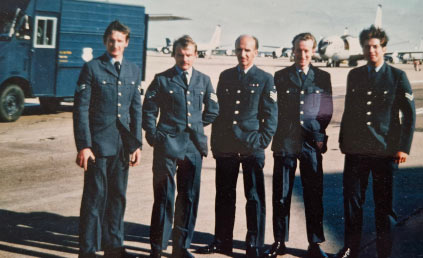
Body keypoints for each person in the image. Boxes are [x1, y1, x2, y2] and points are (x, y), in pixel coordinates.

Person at [335, 25, 416, 258]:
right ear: (361, 49)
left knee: (384, 206)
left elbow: (408, 114)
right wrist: (344, 142)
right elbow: (349, 111)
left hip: (384, 151)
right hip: (356, 151)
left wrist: (403, 146)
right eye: (367, 47)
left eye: (375, 46)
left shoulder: (397, 76)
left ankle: (384, 251)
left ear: (384, 48)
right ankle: (350, 248)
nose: (371, 51)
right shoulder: (355, 75)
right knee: (352, 203)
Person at [197, 35, 278, 258]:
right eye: (239, 50)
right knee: (224, 195)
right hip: (226, 147)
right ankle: (222, 241)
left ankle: (254, 245)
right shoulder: (226, 76)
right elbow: (220, 113)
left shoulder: (265, 79)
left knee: (253, 197)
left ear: (256, 52)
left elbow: (271, 116)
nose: (243, 54)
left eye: (248, 50)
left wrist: (261, 142)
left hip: (251, 146)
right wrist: (215, 144)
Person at [142, 35, 219, 258]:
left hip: (193, 146)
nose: (184, 59)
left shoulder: (204, 81)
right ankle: (157, 248)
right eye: (180, 55)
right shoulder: (162, 79)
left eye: (188, 55)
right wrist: (155, 135)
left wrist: (194, 126)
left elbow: (213, 109)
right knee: (164, 196)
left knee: (189, 197)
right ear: (174, 55)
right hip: (167, 146)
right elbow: (148, 109)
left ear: (195, 55)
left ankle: (181, 247)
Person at [73, 20, 142, 258]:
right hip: (99, 147)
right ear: (105, 42)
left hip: (122, 147)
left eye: (120, 40)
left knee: (118, 198)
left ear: (126, 43)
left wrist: (136, 145)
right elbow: (81, 109)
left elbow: (135, 109)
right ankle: (88, 251)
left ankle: (114, 246)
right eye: (111, 40)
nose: (115, 44)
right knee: (94, 199)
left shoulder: (133, 70)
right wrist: (84, 145)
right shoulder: (92, 68)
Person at [263, 33, 332, 258]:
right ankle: (279, 241)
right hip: (285, 141)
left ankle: (314, 244)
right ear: (292, 50)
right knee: (281, 194)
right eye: (299, 50)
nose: (302, 55)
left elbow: (326, 110)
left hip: (311, 144)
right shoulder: (280, 76)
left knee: (313, 193)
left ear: (313, 52)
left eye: (307, 50)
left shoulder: (322, 77)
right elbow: (274, 109)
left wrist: (319, 134)